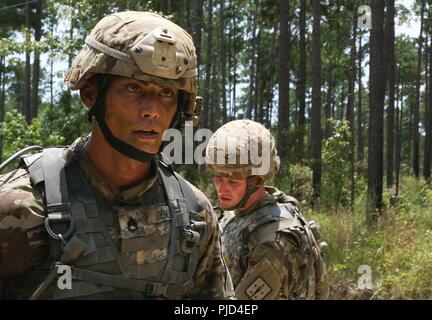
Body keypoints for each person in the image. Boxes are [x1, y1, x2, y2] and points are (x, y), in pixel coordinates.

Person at [0, 11, 232, 300]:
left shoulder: (194, 215)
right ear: (91, 94)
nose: (152, 110)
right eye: (133, 88)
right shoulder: (22, 207)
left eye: (167, 93)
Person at [205, 119, 328, 300]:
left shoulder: (273, 241)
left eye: (233, 181)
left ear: (258, 181)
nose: (222, 189)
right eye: (218, 178)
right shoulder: (237, 212)